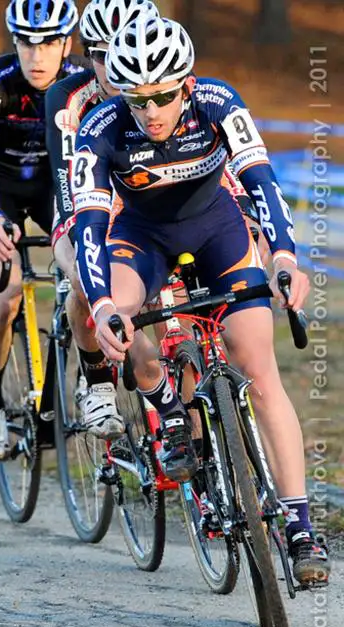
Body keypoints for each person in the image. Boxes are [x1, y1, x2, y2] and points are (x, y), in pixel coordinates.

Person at [72, 16, 330, 583]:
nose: (153, 110)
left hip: (219, 233)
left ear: (185, 84)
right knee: (120, 312)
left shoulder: (217, 101)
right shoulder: (100, 128)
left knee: (258, 370)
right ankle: (165, 405)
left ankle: (300, 526)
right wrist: (103, 306)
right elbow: (89, 227)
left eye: (164, 95)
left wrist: (284, 259)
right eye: (138, 100)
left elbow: (261, 181)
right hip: (141, 240)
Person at [0, 0, 86, 459]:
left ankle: (66, 395)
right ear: (13, 42)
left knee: (84, 277)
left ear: (67, 44)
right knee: (4, 295)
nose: (37, 57)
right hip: (0, 191)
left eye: (49, 43)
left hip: (55, 188)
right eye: (26, 44)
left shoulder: (81, 81)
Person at [45, 0, 162, 442]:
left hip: (143, 197)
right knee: (82, 268)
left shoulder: (163, 86)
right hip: (81, 193)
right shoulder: (68, 96)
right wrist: (85, 236)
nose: (113, 68)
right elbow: (64, 176)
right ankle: (96, 382)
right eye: (99, 54)